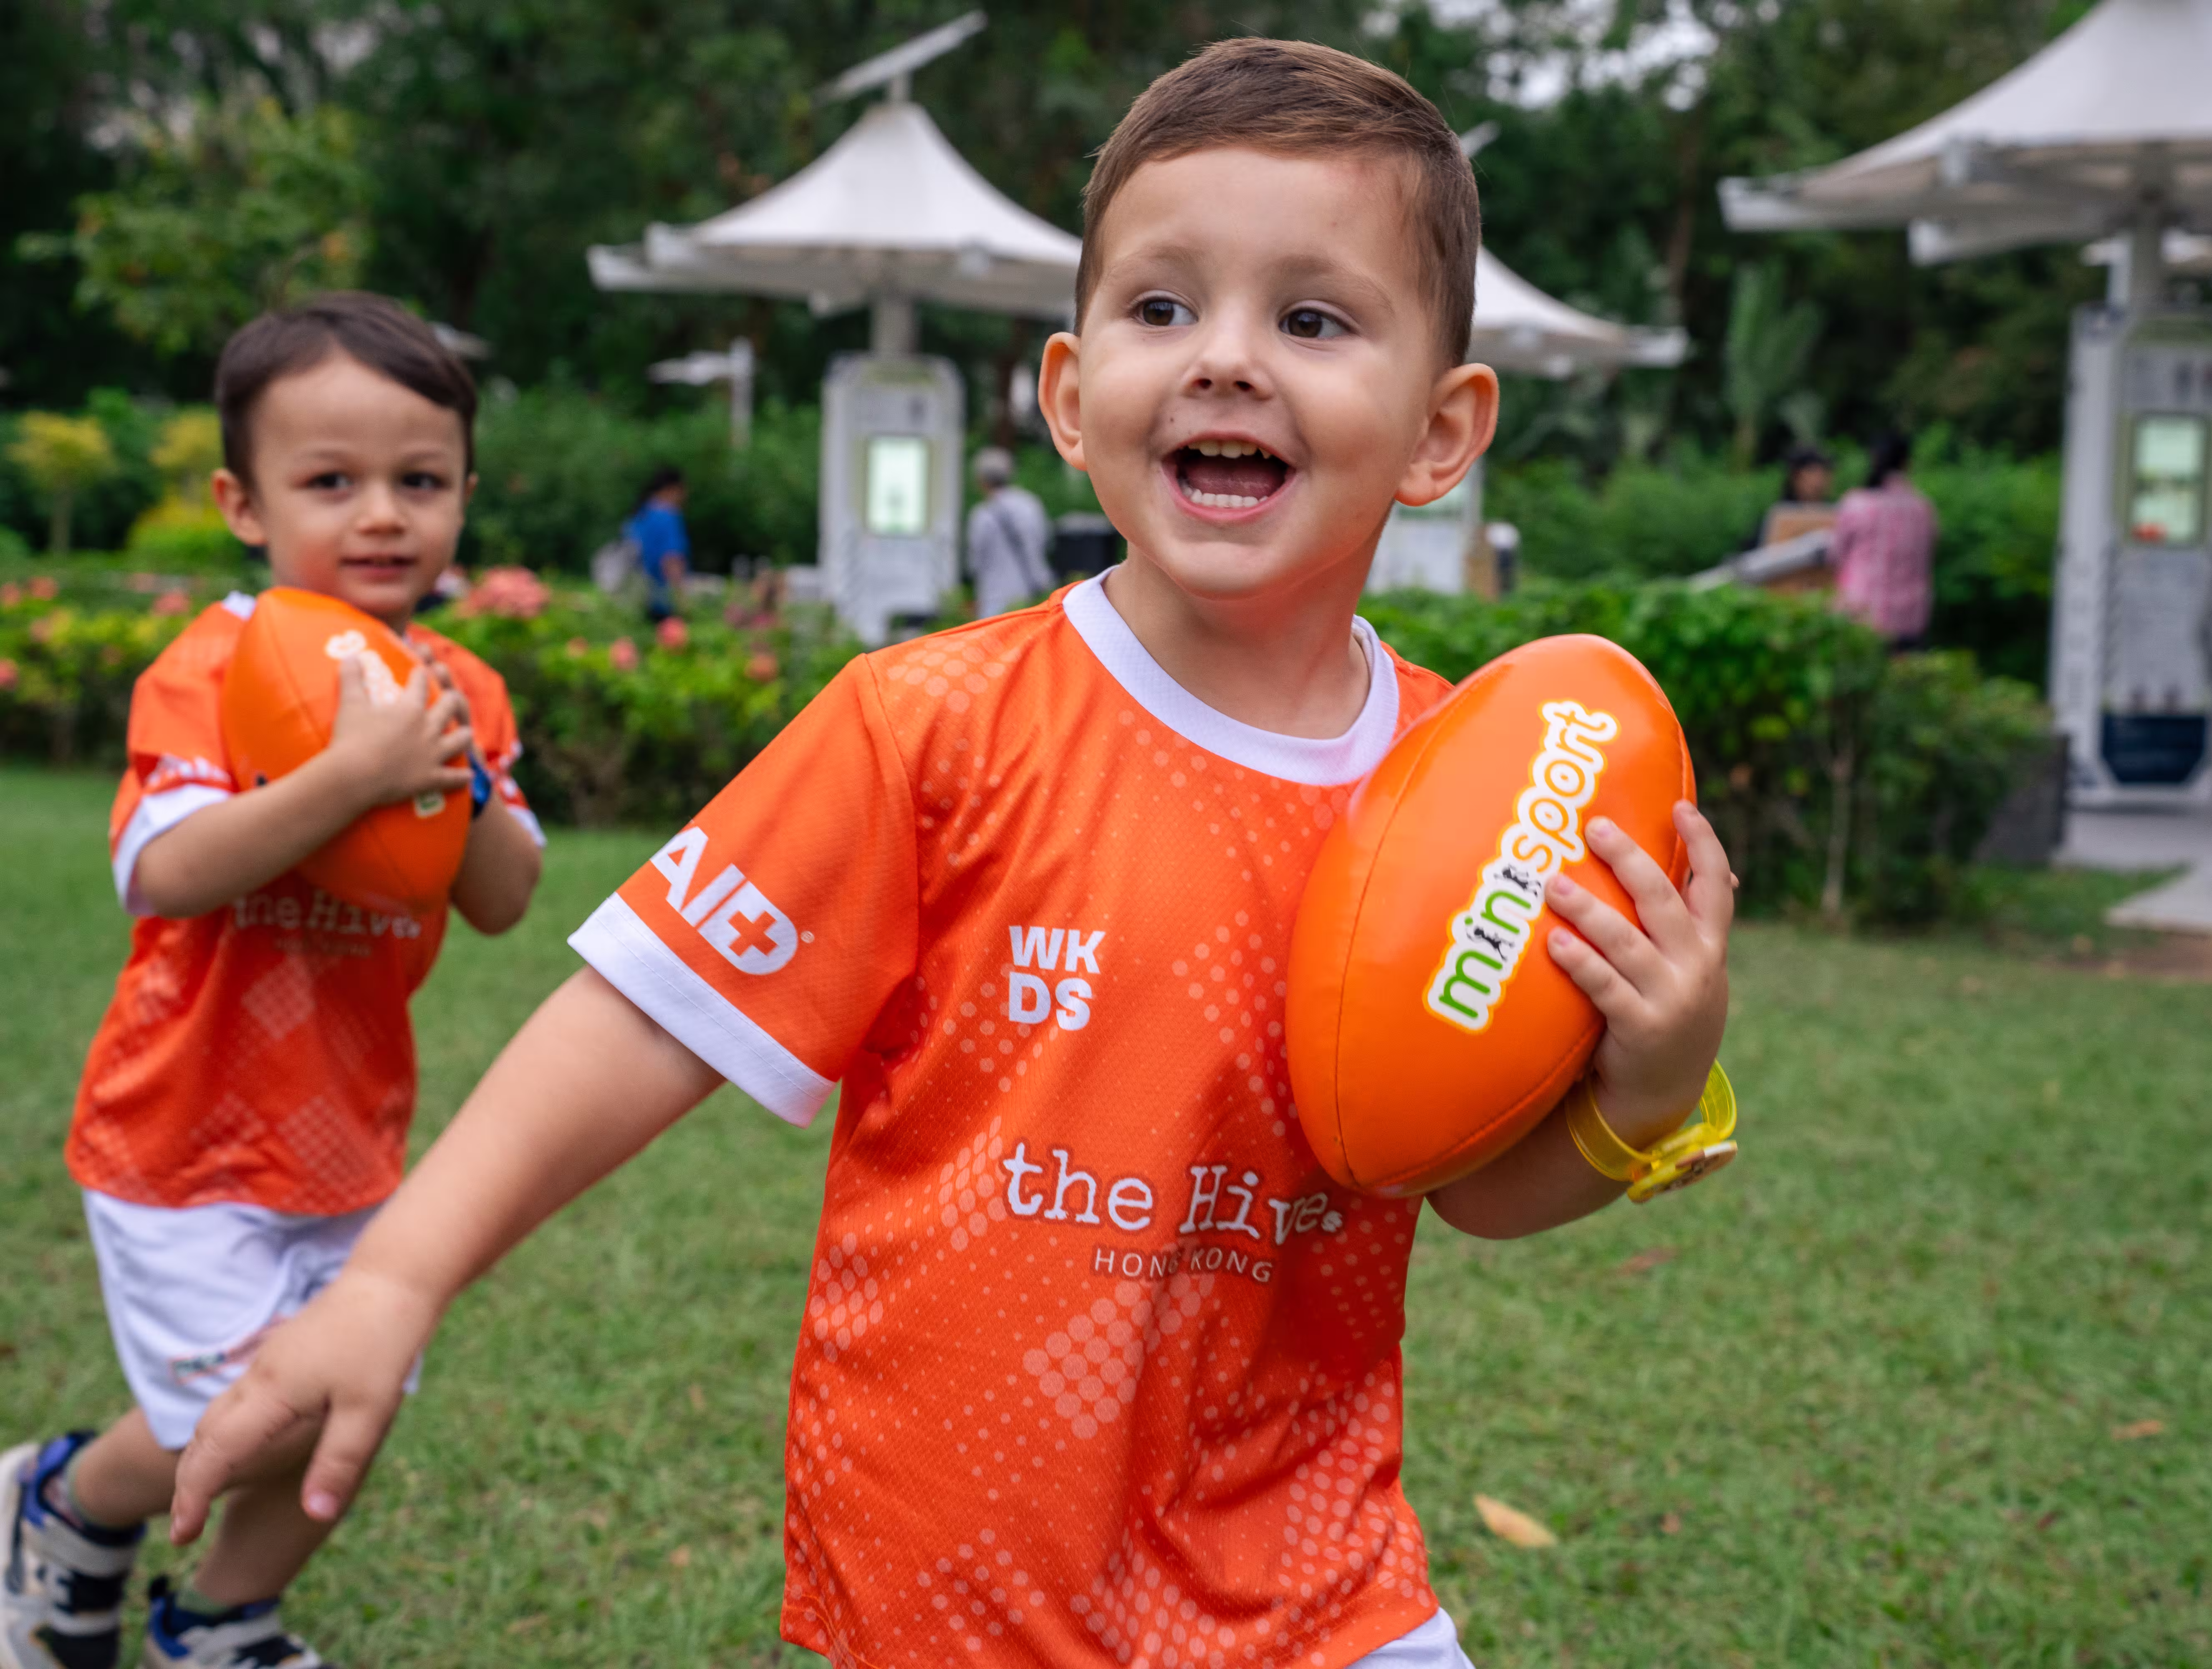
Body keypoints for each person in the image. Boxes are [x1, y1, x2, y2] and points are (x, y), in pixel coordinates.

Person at [169, 43, 1737, 1669]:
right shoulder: (929, 727)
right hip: (960, 1583)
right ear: (1068, 396)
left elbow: (1459, 1178)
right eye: (1162, 308)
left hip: (1313, 1569)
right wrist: (397, 1276)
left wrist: (1647, 1086)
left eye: (1314, 318)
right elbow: (651, 1012)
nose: (1225, 362)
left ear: (1442, 429)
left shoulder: (1462, 789)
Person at [1, 292, 546, 1669]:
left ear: (464, 499)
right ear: (244, 504)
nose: (382, 514)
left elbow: (501, 898)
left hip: (346, 1131)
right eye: (332, 482)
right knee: (224, 1418)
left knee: (350, 1393)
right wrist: (346, 778)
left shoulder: (459, 688)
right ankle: (63, 1501)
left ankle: (215, 1616)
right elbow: (163, 870)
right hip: (183, 1135)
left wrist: (452, 771)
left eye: (419, 482)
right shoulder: (212, 663)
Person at [1828, 431, 1937, 650]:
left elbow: (1835, 555)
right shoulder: (1923, 508)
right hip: (1910, 620)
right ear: (1907, 464)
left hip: (1860, 617)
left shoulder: (1857, 503)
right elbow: (1928, 559)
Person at [964, 445, 1057, 617]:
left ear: (981, 480)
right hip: (1032, 594)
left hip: (994, 598)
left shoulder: (982, 515)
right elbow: (1046, 543)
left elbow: (975, 562)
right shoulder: (1031, 504)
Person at [623, 464, 691, 621]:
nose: (685, 496)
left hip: (635, 600)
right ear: (671, 489)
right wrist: (683, 603)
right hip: (662, 605)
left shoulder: (639, 515)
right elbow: (672, 560)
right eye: (683, 490)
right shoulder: (668, 517)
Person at [1756, 444, 1834, 547]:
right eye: (1812, 473)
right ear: (1795, 477)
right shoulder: (1780, 514)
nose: (1818, 481)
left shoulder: (1834, 514)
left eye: (1823, 474)